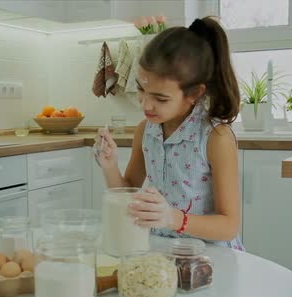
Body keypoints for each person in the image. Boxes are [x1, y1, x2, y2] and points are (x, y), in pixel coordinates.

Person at [95, 17, 244, 250]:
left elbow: (229, 226)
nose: (146, 105)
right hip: (160, 249)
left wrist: (172, 218)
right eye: (141, 90)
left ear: (194, 93)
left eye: (161, 98)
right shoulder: (146, 130)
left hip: (210, 256)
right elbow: (127, 193)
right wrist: (110, 165)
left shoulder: (216, 137)